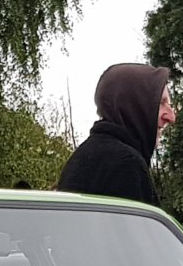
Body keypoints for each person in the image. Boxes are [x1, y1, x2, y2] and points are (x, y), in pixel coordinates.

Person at [56, 63, 175, 205]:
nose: (171, 117)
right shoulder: (125, 165)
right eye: (161, 103)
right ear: (134, 105)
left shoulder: (84, 157)